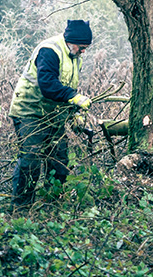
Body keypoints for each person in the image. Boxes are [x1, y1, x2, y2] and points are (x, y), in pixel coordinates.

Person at [8, 19, 96, 211]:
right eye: (81, 47)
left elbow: (67, 87)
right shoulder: (49, 51)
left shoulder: (74, 57)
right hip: (30, 111)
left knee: (59, 161)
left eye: (85, 48)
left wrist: (74, 113)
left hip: (53, 115)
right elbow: (48, 85)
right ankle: (21, 209)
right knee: (31, 160)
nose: (83, 52)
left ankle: (51, 205)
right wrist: (74, 96)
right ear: (71, 41)